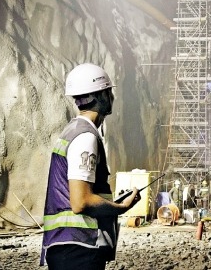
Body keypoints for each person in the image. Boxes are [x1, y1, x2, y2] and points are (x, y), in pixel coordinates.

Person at [41, 63, 141, 270]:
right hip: (79, 248)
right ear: (102, 96)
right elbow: (81, 201)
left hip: (67, 247)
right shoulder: (85, 137)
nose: (112, 97)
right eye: (109, 92)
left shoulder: (71, 131)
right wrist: (121, 207)